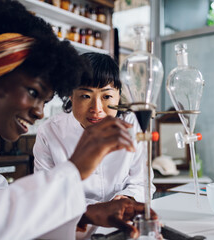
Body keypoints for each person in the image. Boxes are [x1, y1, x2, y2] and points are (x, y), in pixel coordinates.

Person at [0, 0, 156, 239]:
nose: (39, 113)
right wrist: (74, 170)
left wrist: (85, 215)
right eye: (33, 92)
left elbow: (6, 211)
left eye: (45, 102)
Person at [34, 52, 156, 206]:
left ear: (118, 95)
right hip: (74, 221)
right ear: (70, 95)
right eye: (86, 96)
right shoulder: (49, 132)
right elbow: (47, 192)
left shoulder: (133, 124)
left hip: (122, 217)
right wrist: (95, 210)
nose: (96, 109)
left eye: (106, 97)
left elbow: (142, 182)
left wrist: (127, 198)